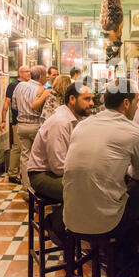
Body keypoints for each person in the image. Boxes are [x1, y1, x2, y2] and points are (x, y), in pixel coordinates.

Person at [63, 78, 139, 276]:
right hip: (105, 224)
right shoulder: (134, 132)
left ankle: (115, 257)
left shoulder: (82, 125)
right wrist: (126, 170)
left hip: (70, 218)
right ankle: (125, 261)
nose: (137, 107)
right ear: (126, 103)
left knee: (115, 191)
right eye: (136, 103)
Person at [27, 83, 94, 245]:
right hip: (41, 175)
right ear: (72, 99)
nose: (92, 103)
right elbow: (58, 166)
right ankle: (53, 223)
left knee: (90, 186)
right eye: (87, 99)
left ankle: (74, 228)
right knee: (84, 191)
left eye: (92, 99)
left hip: (53, 171)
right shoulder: (60, 122)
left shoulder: (73, 120)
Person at [12, 65, 50, 200]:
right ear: (40, 76)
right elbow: (43, 109)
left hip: (21, 126)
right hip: (35, 126)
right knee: (39, 158)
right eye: (45, 75)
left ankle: (26, 189)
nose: (46, 78)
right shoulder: (41, 89)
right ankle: (38, 190)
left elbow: (14, 106)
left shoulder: (19, 86)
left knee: (25, 157)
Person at [0, 66, 31, 184]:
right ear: (20, 73)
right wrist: (3, 120)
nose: (29, 73)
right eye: (26, 71)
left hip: (26, 121)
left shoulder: (30, 85)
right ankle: (12, 174)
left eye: (29, 71)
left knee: (23, 149)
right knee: (17, 147)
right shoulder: (13, 85)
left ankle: (21, 172)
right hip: (18, 121)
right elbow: (6, 103)